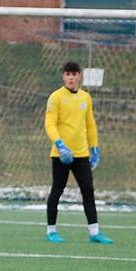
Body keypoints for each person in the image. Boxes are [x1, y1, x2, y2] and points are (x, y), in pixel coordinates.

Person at [44, 61, 113, 244]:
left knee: (88, 190)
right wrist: (59, 144)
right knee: (57, 190)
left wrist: (95, 148)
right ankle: (51, 231)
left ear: (80, 76)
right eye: (68, 74)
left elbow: (90, 124)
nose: (71, 78)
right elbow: (50, 123)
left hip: (82, 154)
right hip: (61, 154)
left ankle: (94, 232)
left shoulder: (85, 98)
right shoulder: (55, 97)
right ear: (63, 76)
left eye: (74, 74)